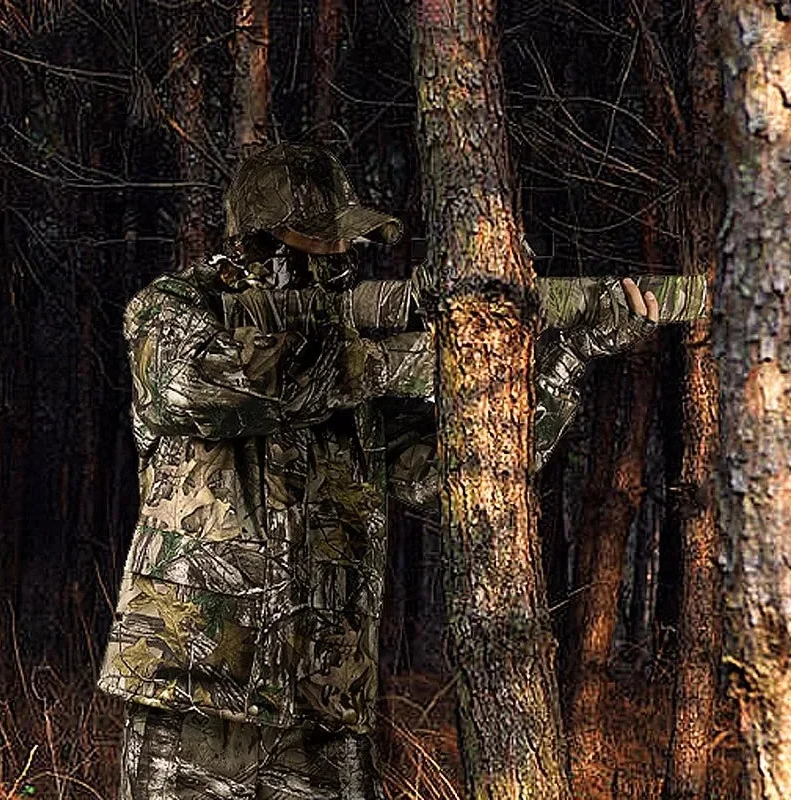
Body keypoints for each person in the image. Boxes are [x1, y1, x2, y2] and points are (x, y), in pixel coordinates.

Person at [96, 141, 659, 799]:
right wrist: (400, 361)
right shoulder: (173, 307)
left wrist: (572, 356)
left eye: (347, 241)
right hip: (194, 693)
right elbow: (191, 386)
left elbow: (465, 466)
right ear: (265, 241)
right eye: (325, 240)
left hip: (322, 706)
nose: (344, 255)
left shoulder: (352, 364)